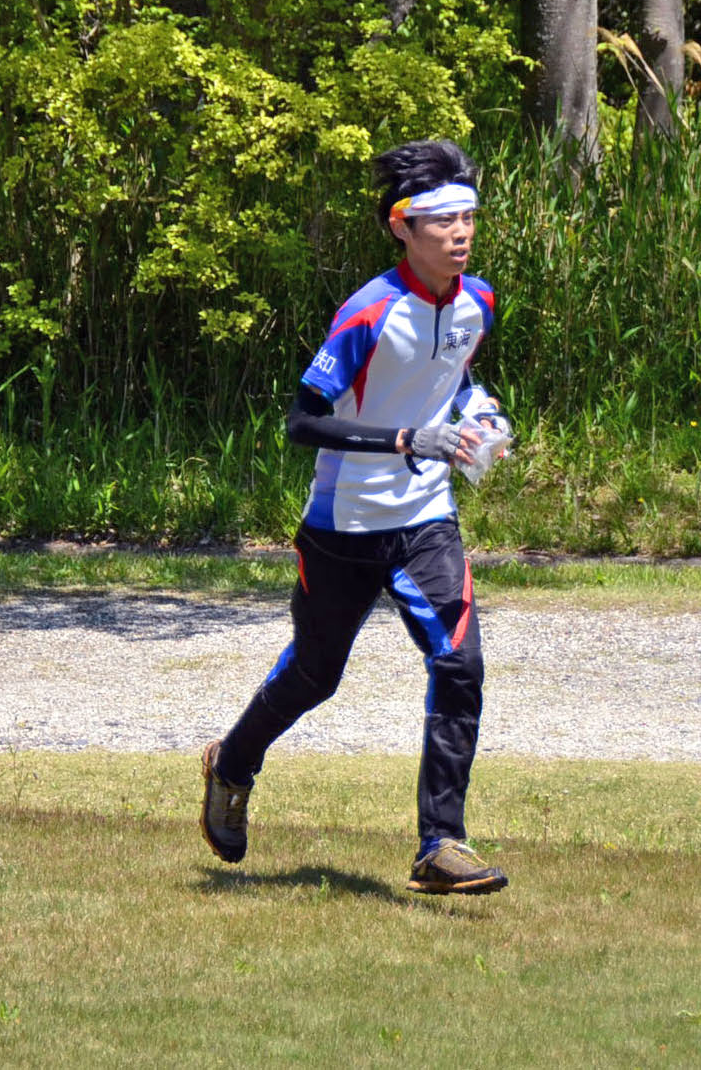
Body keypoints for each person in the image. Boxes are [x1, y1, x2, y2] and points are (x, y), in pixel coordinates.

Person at [199, 139, 513, 895]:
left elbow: (452, 380)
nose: (461, 233)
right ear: (403, 227)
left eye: (469, 217)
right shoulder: (369, 310)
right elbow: (303, 421)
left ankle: (441, 843)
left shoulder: (478, 302)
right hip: (341, 527)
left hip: (427, 519)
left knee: (459, 664)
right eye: (443, 221)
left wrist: (485, 415)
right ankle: (231, 764)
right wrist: (407, 439)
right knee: (316, 674)